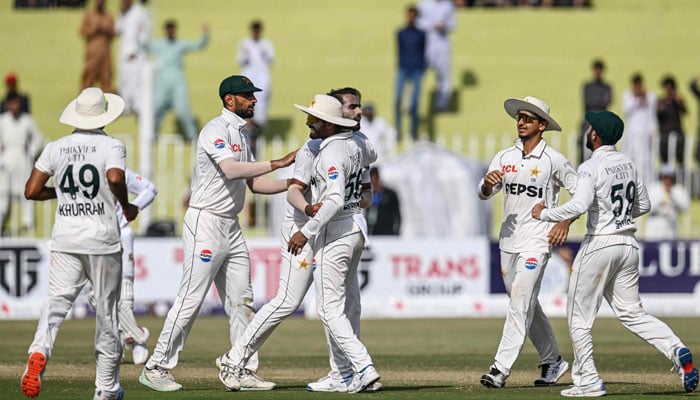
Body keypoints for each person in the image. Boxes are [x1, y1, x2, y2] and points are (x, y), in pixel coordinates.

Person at [138, 75, 296, 392]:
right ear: (229, 100)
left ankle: (240, 368)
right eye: (247, 96)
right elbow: (230, 169)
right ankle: (156, 366)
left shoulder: (243, 134)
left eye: (253, 95)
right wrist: (277, 162)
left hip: (231, 225)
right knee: (191, 298)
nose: (253, 100)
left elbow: (254, 184)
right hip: (205, 223)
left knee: (242, 301)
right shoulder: (214, 130)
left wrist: (291, 184)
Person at [216, 91, 380, 393]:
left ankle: (344, 372)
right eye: (351, 107)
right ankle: (234, 359)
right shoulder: (312, 149)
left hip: (331, 227)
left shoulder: (354, 144)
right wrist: (307, 210)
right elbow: (294, 190)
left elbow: (365, 177)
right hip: (301, 229)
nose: (357, 112)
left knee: (343, 305)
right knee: (288, 300)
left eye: (357, 106)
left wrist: (355, 203)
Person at [532, 110, 699, 397]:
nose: (587, 130)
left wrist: (545, 213)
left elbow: (579, 205)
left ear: (595, 134)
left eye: (589, 127)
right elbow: (643, 205)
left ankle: (588, 380)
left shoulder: (590, 166)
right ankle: (677, 349)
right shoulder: (628, 163)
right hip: (628, 245)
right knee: (632, 313)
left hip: (600, 243)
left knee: (578, 318)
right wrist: (618, 214)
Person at [20, 87, 139, 400]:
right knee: (107, 315)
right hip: (102, 240)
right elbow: (114, 178)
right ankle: (106, 388)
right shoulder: (111, 145)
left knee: (56, 304)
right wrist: (126, 207)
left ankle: (39, 352)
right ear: (103, 115)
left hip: (65, 238)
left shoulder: (55, 148)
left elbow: (31, 191)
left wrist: (59, 194)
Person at [478, 96, 575, 389]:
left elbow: (582, 193)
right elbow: (484, 193)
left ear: (542, 125)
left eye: (529, 118)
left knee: (520, 300)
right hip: (508, 241)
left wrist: (564, 220)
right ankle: (553, 360)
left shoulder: (554, 160)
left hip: (537, 241)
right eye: (519, 117)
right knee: (525, 302)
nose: (521, 121)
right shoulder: (504, 157)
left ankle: (499, 369)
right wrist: (486, 184)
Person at [288, 93, 380, 393]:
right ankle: (342, 374)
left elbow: (335, 198)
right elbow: (373, 154)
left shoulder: (328, 153)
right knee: (347, 305)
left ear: (328, 124)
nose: (308, 124)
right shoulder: (356, 143)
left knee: (329, 309)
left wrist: (307, 231)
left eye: (313, 120)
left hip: (338, 231)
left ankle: (363, 368)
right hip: (356, 228)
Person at [86, 168, 157, 365]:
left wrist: (128, 211)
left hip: (121, 236)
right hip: (94, 239)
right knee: (95, 294)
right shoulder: (83, 173)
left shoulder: (118, 171)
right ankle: (136, 335)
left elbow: (149, 189)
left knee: (125, 296)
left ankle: (130, 342)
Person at [148, 19, 209, 141]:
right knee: (156, 108)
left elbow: (198, 45)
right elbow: (142, 46)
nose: (170, 31)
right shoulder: (158, 44)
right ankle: (151, 137)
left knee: (183, 110)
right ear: (165, 30)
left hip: (177, 81)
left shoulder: (181, 44)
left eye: (172, 28)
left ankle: (193, 138)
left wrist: (205, 35)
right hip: (161, 81)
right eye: (168, 28)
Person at [0, 93, 44, 233]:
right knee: (3, 192)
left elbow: (39, 139)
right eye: (12, 103)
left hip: (22, 157)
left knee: (25, 190)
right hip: (7, 158)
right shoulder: (3, 121)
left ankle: (28, 224)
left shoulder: (27, 120)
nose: (15, 106)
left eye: (17, 103)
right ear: (8, 105)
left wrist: (30, 151)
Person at [236, 19, 275, 154]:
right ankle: (247, 125)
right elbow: (240, 60)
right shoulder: (245, 44)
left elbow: (271, 59)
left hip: (262, 76)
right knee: (246, 101)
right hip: (249, 75)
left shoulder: (266, 44)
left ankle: (255, 131)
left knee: (261, 103)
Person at [416, 0, 456, 112]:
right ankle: (412, 104)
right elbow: (418, 22)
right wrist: (433, 25)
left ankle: (442, 105)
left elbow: (453, 24)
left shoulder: (448, 5)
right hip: (425, 43)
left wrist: (444, 26)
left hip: (442, 43)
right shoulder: (423, 4)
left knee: (443, 76)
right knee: (418, 75)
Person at [395, 5, 426, 141]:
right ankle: (398, 131)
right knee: (397, 100)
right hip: (403, 68)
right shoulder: (400, 33)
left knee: (414, 103)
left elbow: (423, 51)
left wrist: (422, 68)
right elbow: (399, 50)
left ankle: (413, 132)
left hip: (417, 69)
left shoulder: (421, 34)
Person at [115, 0, 151, 115]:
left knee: (136, 81)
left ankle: (138, 107)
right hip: (124, 53)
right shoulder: (123, 13)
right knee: (124, 79)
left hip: (136, 54)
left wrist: (136, 49)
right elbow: (117, 30)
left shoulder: (140, 12)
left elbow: (144, 32)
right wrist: (121, 14)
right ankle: (125, 105)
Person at [622, 73, 657, 185]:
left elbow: (652, 115)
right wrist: (637, 99)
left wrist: (652, 131)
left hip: (645, 134)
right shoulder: (627, 95)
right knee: (630, 159)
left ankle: (647, 186)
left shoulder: (650, 96)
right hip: (631, 134)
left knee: (646, 161)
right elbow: (626, 111)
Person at [578, 59, 612, 164]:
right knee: (585, 148)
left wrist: (596, 101)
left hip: (602, 122)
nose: (598, 72)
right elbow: (588, 102)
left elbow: (608, 101)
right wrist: (600, 100)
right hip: (589, 120)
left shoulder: (607, 86)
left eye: (600, 69)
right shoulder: (587, 86)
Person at [644, 164, 690, 240]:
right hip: (654, 229)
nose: (667, 180)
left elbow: (685, 208)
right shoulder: (653, 188)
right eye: (665, 177)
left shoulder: (678, 190)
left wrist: (672, 196)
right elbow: (647, 209)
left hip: (671, 230)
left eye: (670, 178)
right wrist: (662, 198)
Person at [80, 0, 116, 92]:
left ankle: (108, 100)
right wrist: (94, 28)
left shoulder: (108, 17)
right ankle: (85, 99)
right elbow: (82, 31)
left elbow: (113, 34)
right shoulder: (89, 16)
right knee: (89, 76)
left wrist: (107, 29)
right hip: (92, 52)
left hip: (105, 52)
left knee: (106, 77)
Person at [657, 75, 687, 169]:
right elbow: (657, 116)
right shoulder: (661, 101)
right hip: (665, 133)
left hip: (677, 132)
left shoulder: (678, 100)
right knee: (665, 158)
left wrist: (676, 98)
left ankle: (680, 179)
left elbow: (685, 111)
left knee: (679, 158)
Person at [367, 167, 401, 235]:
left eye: (374, 178)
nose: (373, 181)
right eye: (371, 179)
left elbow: (397, 214)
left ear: (378, 177)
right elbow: (367, 215)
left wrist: (397, 231)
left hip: (388, 233)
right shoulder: (370, 196)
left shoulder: (390, 194)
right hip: (374, 233)